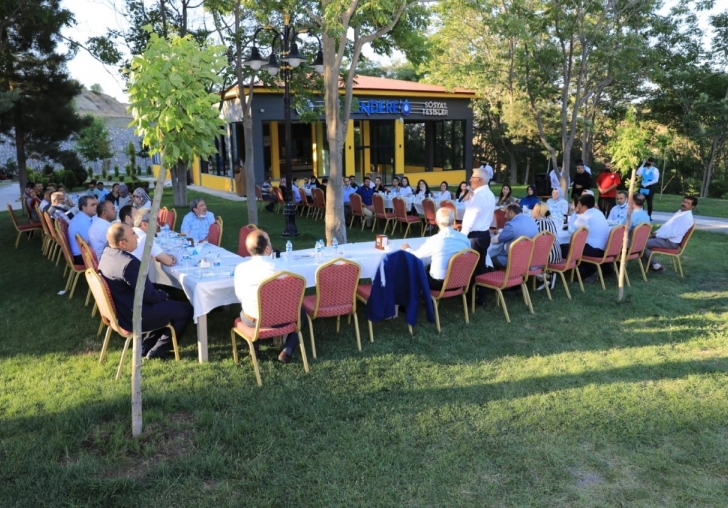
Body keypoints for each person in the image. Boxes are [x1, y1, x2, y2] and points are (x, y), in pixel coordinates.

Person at [98, 223, 192, 360]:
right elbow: (149, 295)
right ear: (122, 243)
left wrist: (162, 295)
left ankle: (146, 345)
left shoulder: (106, 254)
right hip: (134, 315)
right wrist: (163, 295)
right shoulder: (129, 263)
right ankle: (158, 350)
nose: (137, 237)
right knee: (186, 309)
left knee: (169, 299)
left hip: (122, 309)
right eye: (133, 235)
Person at [233, 230, 305, 363]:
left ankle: (254, 344)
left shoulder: (241, 269)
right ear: (267, 248)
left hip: (253, 320)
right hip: (283, 318)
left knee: (248, 309)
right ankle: (288, 349)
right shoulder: (283, 267)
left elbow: (240, 297)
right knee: (301, 310)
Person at [400, 208, 470, 291]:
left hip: (439, 284)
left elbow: (416, 257)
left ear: (436, 221)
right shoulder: (464, 238)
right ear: (453, 221)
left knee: (412, 267)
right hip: (460, 282)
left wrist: (407, 249)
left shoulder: (436, 240)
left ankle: (407, 298)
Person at [460, 167, 496, 305]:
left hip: (474, 235)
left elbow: (471, 217)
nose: (470, 180)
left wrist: (462, 236)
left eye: (472, 177)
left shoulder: (479, 195)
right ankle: (481, 297)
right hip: (484, 234)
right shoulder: (489, 194)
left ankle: (470, 299)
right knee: (481, 266)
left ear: (479, 180)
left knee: (470, 267)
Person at [642, 196, 696, 273]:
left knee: (641, 244)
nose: (684, 204)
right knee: (640, 240)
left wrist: (656, 235)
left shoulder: (686, 218)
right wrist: (655, 233)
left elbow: (674, 233)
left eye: (687, 203)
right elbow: (667, 227)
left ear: (692, 207)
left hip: (670, 242)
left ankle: (657, 266)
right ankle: (650, 265)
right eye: (684, 202)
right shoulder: (680, 213)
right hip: (665, 238)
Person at [568, 194, 611, 281]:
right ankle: (605, 270)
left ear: (583, 206)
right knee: (576, 247)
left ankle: (587, 273)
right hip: (605, 247)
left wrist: (575, 213)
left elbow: (571, 229)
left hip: (594, 249)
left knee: (568, 249)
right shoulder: (599, 213)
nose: (577, 206)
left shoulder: (584, 217)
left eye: (579, 204)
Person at [490, 203, 539, 268]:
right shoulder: (531, 220)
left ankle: (496, 277)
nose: (505, 216)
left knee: (489, 259)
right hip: (530, 257)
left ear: (511, 213)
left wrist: (489, 238)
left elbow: (497, 240)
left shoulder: (512, 225)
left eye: (506, 213)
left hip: (514, 259)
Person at [532, 203, 562, 290]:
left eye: (533, 209)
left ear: (537, 211)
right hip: (556, 254)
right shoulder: (550, 221)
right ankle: (545, 276)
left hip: (545, 257)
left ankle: (545, 276)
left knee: (522, 256)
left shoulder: (536, 223)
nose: (531, 211)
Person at [67, 195, 98, 265]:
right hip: (82, 257)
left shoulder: (82, 217)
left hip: (83, 253)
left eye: (96, 204)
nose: (96, 207)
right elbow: (91, 243)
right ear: (84, 207)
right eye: (93, 205)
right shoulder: (81, 222)